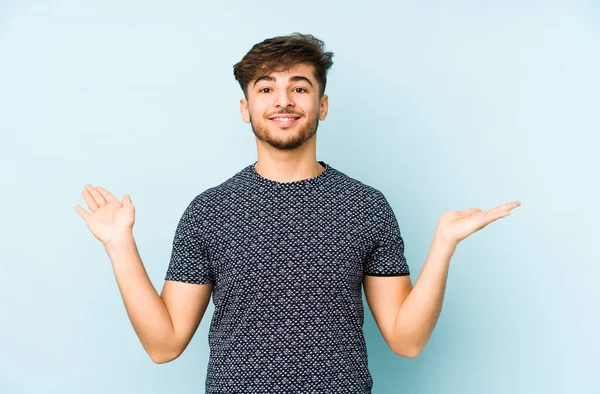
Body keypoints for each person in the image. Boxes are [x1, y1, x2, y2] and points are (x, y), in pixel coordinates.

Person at [75, 32, 521, 393]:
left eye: (299, 88)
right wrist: (119, 246)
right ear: (246, 108)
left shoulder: (366, 206)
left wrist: (443, 245)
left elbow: (406, 340)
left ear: (321, 106)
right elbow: (164, 344)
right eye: (266, 89)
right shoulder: (209, 211)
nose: (283, 100)